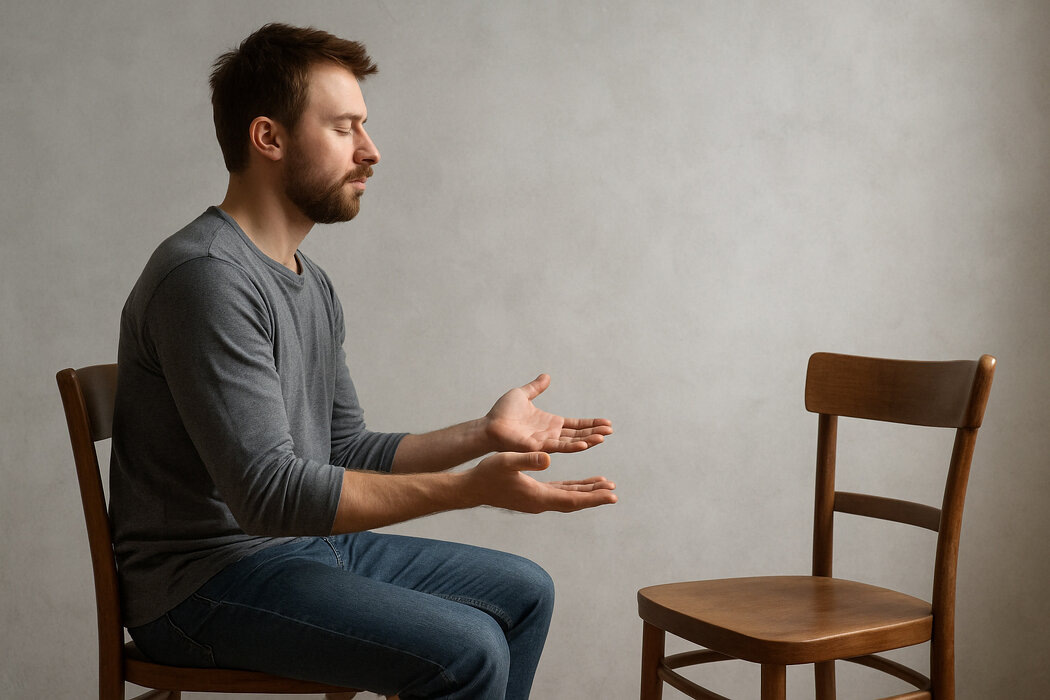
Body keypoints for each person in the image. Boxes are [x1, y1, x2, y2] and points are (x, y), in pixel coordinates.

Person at [108, 22, 616, 700]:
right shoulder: (206, 278)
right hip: (201, 585)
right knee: (467, 650)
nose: (371, 151)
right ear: (269, 137)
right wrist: (471, 488)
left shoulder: (310, 283)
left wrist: (482, 435)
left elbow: (344, 449)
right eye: (344, 128)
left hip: (296, 550)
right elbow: (270, 496)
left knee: (526, 591)